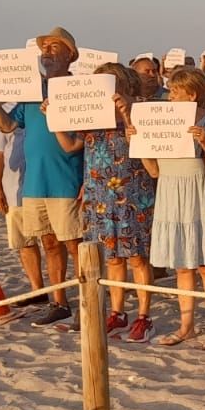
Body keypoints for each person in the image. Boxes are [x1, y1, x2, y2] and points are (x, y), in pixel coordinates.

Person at [0, 28, 86, 327]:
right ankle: (59, 302)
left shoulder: (79, 89)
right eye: (45, 47)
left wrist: (87, 181)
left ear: (70, 54)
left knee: (75, 244)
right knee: (49, 243)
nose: (47, 51)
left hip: (68, 178)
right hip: (35, 181)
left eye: (55, 46)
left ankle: (87, 301)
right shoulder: (31, 91)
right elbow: (9, 126)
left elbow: (90, 137)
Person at [56, 64, 157, 342]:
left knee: (137, 256)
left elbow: (142, 140)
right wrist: (54, 121)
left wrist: (125, 112)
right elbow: (70, 146)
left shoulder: (139, 108)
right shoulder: (91, 115)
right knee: (112, 257)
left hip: (133, 190)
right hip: (100, 192)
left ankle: (144, 316)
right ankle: (118, 312)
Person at [140, 66, 205, 350]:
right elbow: (154, 171)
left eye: (176, 92)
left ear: (192, 94)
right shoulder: (160, 122)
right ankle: (186, 326)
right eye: (170, 91)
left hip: (201, 192)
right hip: (170, 190)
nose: (170, 97)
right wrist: (139, 145)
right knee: (182, 265)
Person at [0, 101, 48, 306]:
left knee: (52, 240)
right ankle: (37, 289)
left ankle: (60, 290)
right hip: (15, 186)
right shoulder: (4, 109)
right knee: (24, 241)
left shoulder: (46, 101)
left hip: (46, 181)